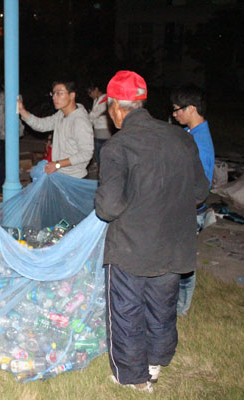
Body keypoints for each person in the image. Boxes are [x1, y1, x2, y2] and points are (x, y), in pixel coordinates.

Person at [95, 71, 209, 392]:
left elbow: (108, 207)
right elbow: (200, 191)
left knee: (127, 310)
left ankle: (133, 377)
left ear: (115, 108)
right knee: (162, 305)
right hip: (173, 243)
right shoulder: (181, 137)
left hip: (132, 248)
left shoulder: (118, 147)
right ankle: (156, 363)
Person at [171, 84, 215, 317]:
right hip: (185, 208)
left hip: (190, 211)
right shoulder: (191, 133)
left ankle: (182, 309)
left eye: (177, 109)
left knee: (184, 263)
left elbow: (201, 187)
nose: (174, 114)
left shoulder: (200, 143)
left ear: (192, 108)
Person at [17, 79, 94, 178]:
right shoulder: (61, 114)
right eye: (53, 93)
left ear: (72, 95)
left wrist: (57, 164)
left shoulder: (80, 121)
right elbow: (42, 124)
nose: (54, 97)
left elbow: (86, 153)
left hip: (74, 177)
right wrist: (22, 111)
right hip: (60, 173)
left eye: (59, 93)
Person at [0, 87, 24, 188]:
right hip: (12, 132)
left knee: (3, 158)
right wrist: (20, 129)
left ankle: (1, 181)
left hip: (2, 131)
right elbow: (18, 115)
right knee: (11, 158)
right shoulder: (15, 96)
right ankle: (9, 181)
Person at [86, 81, 112, 166]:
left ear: (96, 89)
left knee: (102, 154)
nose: (90, 95)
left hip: (104, 131)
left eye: (91, 92)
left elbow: (93, 115)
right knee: (97, 154)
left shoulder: (105, 99)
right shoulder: (96, 100)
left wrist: (87, 116)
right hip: (97, 131)